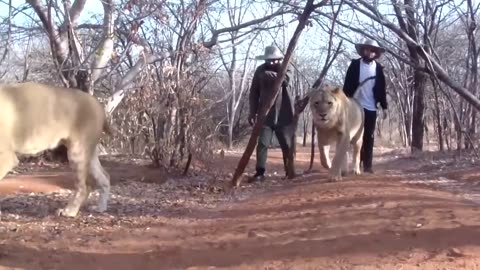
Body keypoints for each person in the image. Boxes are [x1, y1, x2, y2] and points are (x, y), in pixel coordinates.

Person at [248, 44, 295, 182]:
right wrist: (252, 112)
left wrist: (274, 75)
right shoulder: (259, 71)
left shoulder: (287, 67)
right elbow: (253, 93)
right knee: (262, 143)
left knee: (286, 145)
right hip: (265, 114)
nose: (272, 62)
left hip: (284, 114)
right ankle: (260, 172)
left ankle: (289, 171)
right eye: (269, 60)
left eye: (274, 60)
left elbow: (286, 81)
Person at [342, 39, 388, 174]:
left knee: (369, 135)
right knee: (352, 136)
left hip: (371, 107)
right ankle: (349, 164)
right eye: (368, 49)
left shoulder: (378, 69)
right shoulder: (355, 65)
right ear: (363, 50)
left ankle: (367, 165)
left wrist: (384, 106)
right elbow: (347, 85)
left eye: (374, 51)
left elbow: (381, 89)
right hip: (354, 105)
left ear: (376, 53)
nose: (370, 52)